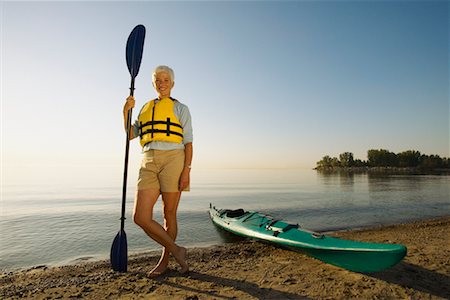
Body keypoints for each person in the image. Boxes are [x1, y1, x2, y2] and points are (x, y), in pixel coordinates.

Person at [123, 65, 192, 276]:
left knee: (168, 213)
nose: (162, 84)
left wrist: (186, 170)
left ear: (172, 83)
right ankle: (177, 250)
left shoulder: (181, 108)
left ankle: (165, 260)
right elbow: (130, 133)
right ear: (153, 84)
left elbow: (188, 142)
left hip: (174, 159)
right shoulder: (143, 108)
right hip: (148, 160)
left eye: (166, 80)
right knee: (140, 217)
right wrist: (125, 110)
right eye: (158, 81)